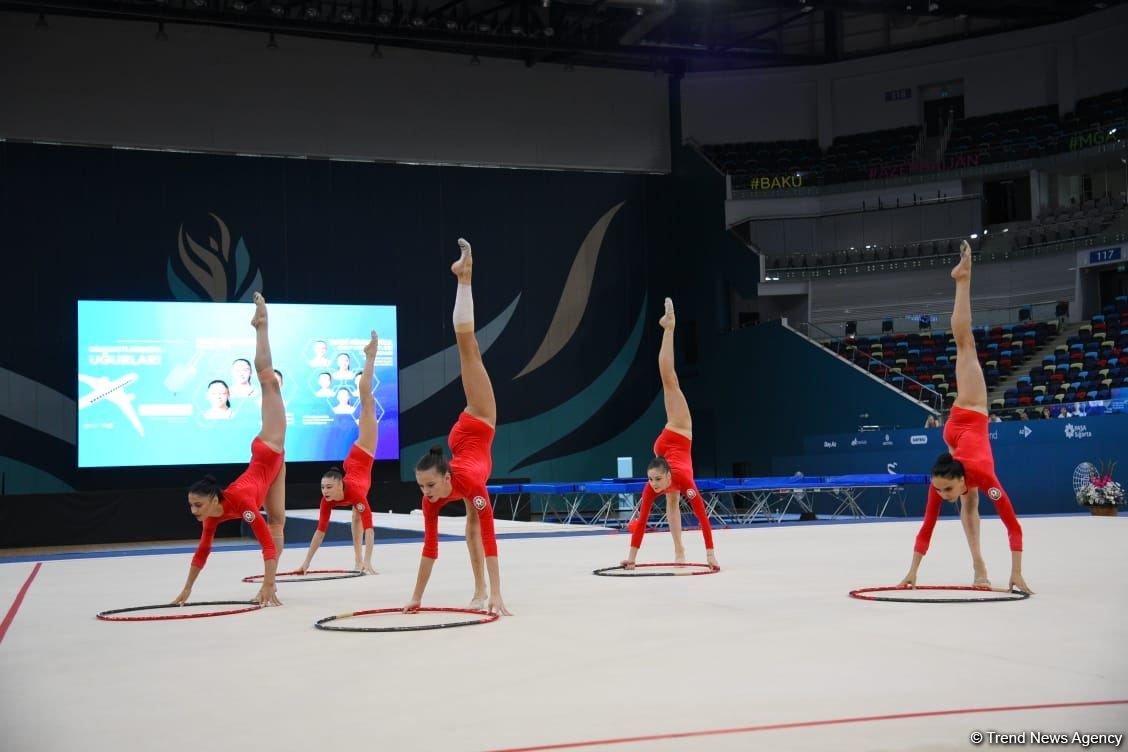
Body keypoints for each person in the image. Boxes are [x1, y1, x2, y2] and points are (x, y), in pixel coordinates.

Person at [899, 242, 1031, 594]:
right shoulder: (945, 481)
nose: (941, 495)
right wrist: (913, 571)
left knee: (965, 344)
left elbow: (1012, 524)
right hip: (957, 436)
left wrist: (1017, 571)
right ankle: (979, 564)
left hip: (969, 414)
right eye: (941, 489)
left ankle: (963, 278)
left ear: (960, 478)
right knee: (969, 504)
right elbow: (926, 527)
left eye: (946, 489)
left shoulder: (981, 476)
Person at [406, 238, 510, 616]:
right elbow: (430, 548)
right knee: (468, 526)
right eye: (421, 487)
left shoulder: (469, 485)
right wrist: (416, 596)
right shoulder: (434, 496)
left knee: (467, 346)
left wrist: (500, 595)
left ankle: (464, 277)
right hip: (469, 439)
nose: (426, 494)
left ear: (446, 478)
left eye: (430, 485)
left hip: (478, 420)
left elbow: (492, 538)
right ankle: (477, 589)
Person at [176, 293, 288, 606]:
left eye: (197, 505)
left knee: (268, 380)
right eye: (193, 507)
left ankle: (261, 324)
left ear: (214, 500)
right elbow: (202, 554)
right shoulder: (212, 517)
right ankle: (273, 587)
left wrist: (264, 583)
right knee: (277, 521)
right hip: (275, 465)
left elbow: (264, 545)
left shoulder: (240, 502)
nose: (195, 512)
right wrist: (186, 591)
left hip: (268, 449)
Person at [621, 298, 719, 571]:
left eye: (656, 481)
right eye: (651, 480)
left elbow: (702, 516)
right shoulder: (653, 483)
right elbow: (641, 522)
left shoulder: (683, 479)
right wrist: (631, 558)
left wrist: (711, 555)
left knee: (669, 378)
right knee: (670, 501)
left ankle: (669, 328)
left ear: (666, 475)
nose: (652, 485)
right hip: (667, 446)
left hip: (676, 432)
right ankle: (679, 549)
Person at [297, 331, 380, 575]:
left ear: (340, 486)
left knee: (367, 401)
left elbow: (370, 528)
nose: (325, 492)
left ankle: (370, 357)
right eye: (323, 488)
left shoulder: (353, 492)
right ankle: (356, 560)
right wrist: (305, 564)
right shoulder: (328, 500)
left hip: (363, 452)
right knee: (355, 518)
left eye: (329, 488)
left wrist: (369, 561)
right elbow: (319, 532)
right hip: (354, 465)